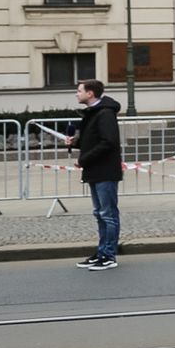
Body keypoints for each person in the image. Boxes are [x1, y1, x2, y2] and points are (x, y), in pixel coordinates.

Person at [65, 79, 123, 269]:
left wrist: (83, 159)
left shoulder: (105, 113)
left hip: (105, 170)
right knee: (100, 213)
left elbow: (108, 142)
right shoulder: (93, 113)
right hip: (96, 170)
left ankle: (108, 256)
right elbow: (93, 140)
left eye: (79, 90)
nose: (76, 94)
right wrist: (74, 143)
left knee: (108, 214)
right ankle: (101, 252)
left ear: (90, 94)